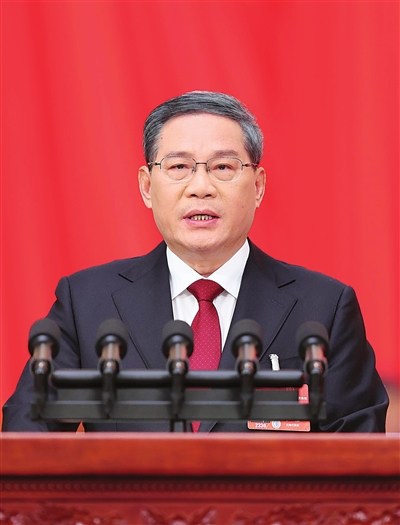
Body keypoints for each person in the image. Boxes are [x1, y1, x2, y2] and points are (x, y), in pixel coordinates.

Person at [2, 91, 388, 432]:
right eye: (178, 167)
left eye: (223, 167)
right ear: (147, 187)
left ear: (257, 186)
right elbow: (25, 439)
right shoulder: (87, 303)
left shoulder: (324, 308)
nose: (200, 188)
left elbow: (358, 459)